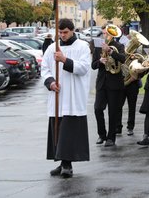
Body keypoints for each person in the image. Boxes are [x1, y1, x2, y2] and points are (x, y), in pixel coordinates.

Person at [42, 18, 91, 178]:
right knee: (58, 131)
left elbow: (83, 68)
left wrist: (64, 60)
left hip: (73, 96)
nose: (62, 35)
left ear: (72, 30)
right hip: (58, 95)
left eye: (65, 32)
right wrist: (50, 82)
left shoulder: (82, 46)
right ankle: (62, 162)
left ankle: (67, 165)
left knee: (69, 132)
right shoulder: (51, 48)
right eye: (60, 32)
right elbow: (45, 68)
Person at [91, 24, 126, 147]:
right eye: (105, 33)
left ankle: (111, 138)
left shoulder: (119, 46)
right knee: (97, 109)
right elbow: (93, 65)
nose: (106, 35)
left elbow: (123, 59)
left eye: (109, 33)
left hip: (115, 83)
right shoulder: (98, 46)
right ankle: (102, 134)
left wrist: (111, 51)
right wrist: (100, 61)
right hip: (102, 82)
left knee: (113, 111)